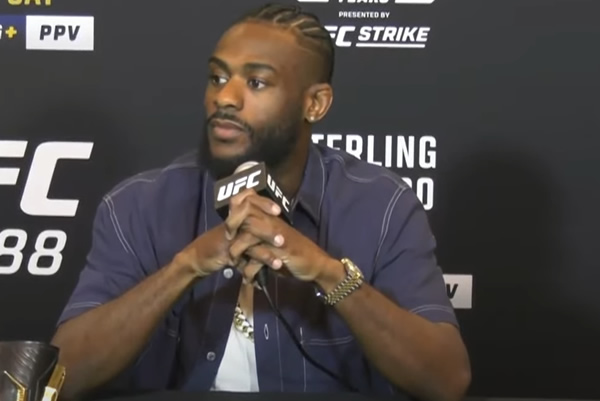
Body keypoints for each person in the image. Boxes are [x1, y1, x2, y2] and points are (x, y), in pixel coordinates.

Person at [51, 3, 471, 401]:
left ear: (315, 103)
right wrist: (187, 266)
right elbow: (61, 377)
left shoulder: (381, 207)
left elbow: (446, 381)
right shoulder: (139, 206)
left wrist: (327, 273)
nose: (225, 98)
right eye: (217, 78)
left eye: (256, 83)